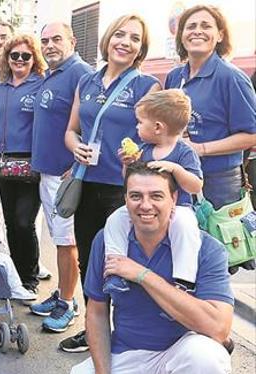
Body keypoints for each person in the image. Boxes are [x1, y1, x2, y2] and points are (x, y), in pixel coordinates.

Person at [42, 163, 234, 374]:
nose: (145, 205)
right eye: (136, 196)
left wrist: (142, 275)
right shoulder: (108, 240)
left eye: (156, 196)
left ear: (174, 200)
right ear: (125, 199)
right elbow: (97, 313)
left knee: (208, 359)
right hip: (129, 350)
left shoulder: (205, 248)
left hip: (182, 353)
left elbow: (218, 328)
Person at [59, 14, 161, 354]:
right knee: (89, 261)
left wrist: (136, 153)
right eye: (120, 34)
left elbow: (156, 139)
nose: (125, 42)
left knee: (122, 264)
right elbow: (71, 130)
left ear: (141, 49)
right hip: (86, 183)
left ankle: (126, 335)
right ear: (108, 39)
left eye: (134, 38)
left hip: (124, 190)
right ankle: (94, 330)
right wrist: (76, 147)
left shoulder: (146, 86)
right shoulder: (86, 82)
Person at [29, 22, 94, 332]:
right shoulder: (53, 74)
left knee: (67, 242)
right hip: (48, 172)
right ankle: (61, 292)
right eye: (45, 41)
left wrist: (76, 164)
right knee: (58, 240)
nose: (49, 45)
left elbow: (92, 123)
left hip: (65, 176)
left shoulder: (81, 74)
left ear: (72, 41)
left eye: (57, 39)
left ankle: (68, 303)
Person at [104, 90, 203, 293]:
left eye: (140, 122)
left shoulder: (184, 152)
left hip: (179, 207)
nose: (137, 126)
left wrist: (175, 169)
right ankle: (115, 268)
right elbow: (129, 181)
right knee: (115, 219)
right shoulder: (145, 150)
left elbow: (196, 186)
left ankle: (184, 279)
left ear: (158, 127)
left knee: (185, 225)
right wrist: (128, 164)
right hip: (144, 207)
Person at [165, 4, 256, 209]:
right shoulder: (174, 77)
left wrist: (201, 149)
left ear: (220, 35)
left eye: (206, 26)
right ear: (181, 36)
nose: (197, 31)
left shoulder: (232, 78)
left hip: (219, 182)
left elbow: (252, 135)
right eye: (191, 26)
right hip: (178, 173)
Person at [0, 34, 46, 294]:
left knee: (25, 222)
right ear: (7, 58)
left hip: (30, 161)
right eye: (14, 55)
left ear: (34, 59)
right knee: (11, 223)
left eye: (26, 55)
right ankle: (15, 276)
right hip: (3, 160)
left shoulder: (41, 84)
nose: (20, 60)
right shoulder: (1, 86)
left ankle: (29, 278)